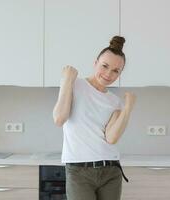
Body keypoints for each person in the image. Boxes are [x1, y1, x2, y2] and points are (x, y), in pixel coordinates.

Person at [52, 35, 136, 200]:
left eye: (115, 71)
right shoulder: (75, 85)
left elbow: (111, 138)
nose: (108, 74)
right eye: (104, 66)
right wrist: (67, 79)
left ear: (120, 73)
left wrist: (127, 108)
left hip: (110, 170)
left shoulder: (114, 101)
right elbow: (59, 119)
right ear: (95, 63)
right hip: (79, 171)